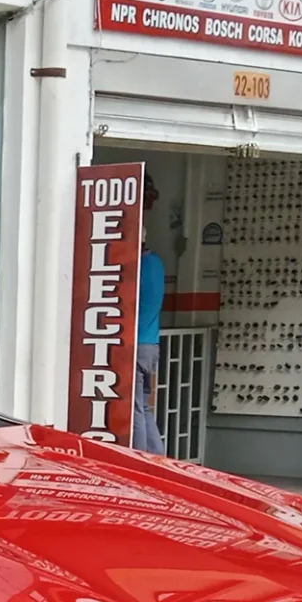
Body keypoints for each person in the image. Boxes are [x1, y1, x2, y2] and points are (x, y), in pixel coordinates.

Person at [132, 187, 166, 454]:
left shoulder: (136, 269)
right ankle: (157, 457)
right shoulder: (157, 263)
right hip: (152, 344)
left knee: (134, 409)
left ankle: (140, 458)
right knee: (145, 405)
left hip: (135, 344)